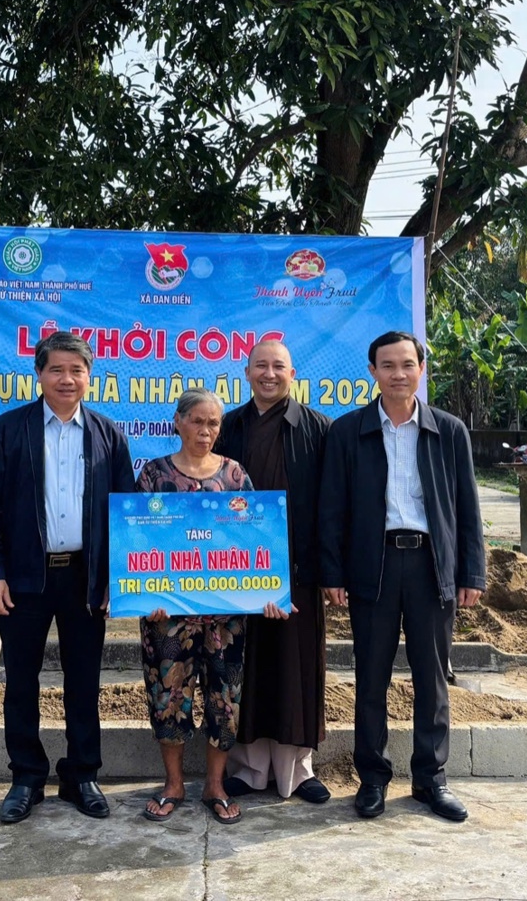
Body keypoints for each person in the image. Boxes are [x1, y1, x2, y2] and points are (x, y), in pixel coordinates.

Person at [319, 331, 485, 822]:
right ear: (372, 372)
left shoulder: (449, 431)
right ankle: (372, 778)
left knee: (432, 678)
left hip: (432, 565)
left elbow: (467, 507)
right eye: (388, 365)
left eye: (407, 364)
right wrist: (332, 571)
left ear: (421, 370)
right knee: (371, 677)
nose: (398, 374)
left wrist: (471, 571)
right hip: (373, 565)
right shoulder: (348, 431)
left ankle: (431, 779)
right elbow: (332, 508)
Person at [0, 330, 135, 825]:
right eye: (57, 369)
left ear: (90, 377)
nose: (67, 379)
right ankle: (26, 777)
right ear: (39, 374)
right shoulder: (8, 430)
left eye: (76, 370)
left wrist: (115, 578)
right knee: (21, 681)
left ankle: (81, 775)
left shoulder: (108, 435)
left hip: (85, 579)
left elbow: (124, 512)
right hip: (24, 578)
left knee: (84, 681)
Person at [216, 339, 332, 803]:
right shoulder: (229, 427)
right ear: (246, 373)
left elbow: (331, 505)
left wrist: (326, 570)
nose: (269, 374)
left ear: (292, 373)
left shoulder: (318, 429)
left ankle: (297, 771)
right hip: (236, 570)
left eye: (278, 366)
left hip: (297, 570)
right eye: (260, 366)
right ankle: (247, 768)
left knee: (295, 667)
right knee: (246, 666)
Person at [137, 388, 253, 826]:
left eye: (213, 423)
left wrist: (267, 591)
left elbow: (254, 541)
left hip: (225, 617)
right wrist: (146, 594)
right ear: (178, 421)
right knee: (168, 696)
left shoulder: (235, 475)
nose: (206, 431)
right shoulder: (154, 475)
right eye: (197, 421)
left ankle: (215, 786)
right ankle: (173, 785)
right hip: (166, 616)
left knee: (225, 698)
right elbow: (136, 542)